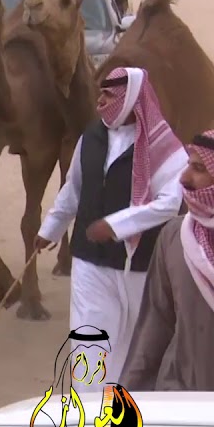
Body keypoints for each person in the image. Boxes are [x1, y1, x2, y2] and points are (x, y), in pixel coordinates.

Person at [35, 66, 185, 385]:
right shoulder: (91, 136)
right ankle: (90, 417)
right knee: (89, 342)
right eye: (100, 93)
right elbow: (74, 188)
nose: (101, 101)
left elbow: (170, 203)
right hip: (90, 259)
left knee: (133, 346)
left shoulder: (163, 146)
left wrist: (117, 226)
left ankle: (123, 420)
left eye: (109, 95)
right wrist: (50, 228)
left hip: (139, 265)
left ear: (132, 99)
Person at [120, 129, 214, 391]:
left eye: (198, 168)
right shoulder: (175, 237)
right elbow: (154, 326)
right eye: (187, 166)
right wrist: (125, 399)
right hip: (180, 394)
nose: (184, 178)